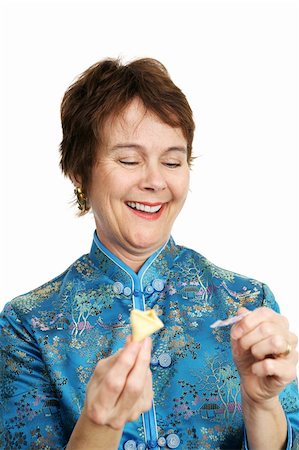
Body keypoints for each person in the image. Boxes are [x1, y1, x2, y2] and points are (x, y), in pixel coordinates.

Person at [0, 57, 298, 450]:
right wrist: (97, 422)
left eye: (172, 161)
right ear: (79, 170)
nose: (155, 181)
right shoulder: (27, 326)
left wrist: (261, 404)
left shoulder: (247, 304)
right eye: (128, 160)